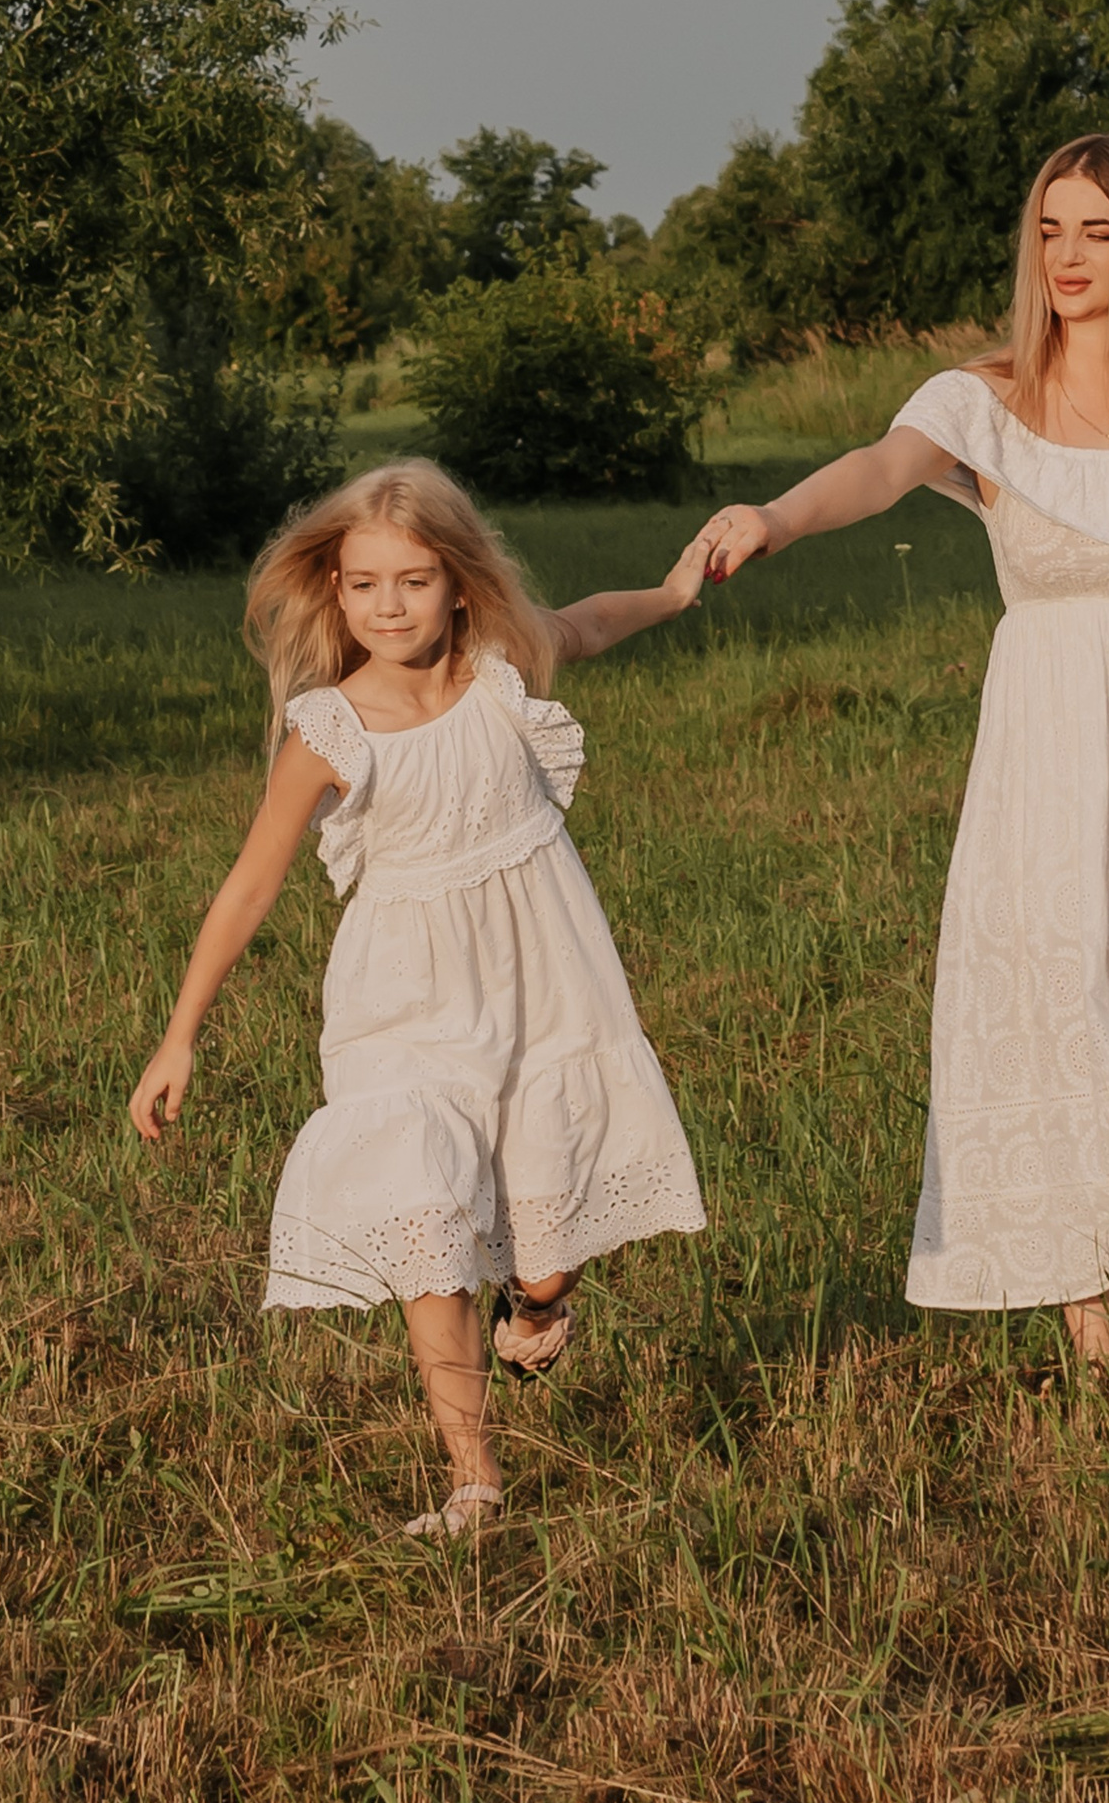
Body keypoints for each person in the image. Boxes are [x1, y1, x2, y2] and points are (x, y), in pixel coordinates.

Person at [695, 131, 1109, 1386]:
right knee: (1064, 1034)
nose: (1069, 256)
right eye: (1049, 229)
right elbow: (877, 472)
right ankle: (1093, 1334)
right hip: (1047, 775)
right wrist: (773, 516)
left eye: (1096, 229)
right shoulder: (982, 397)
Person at [128, 461, 712, 1535]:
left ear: (457, 582)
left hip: (543, 977)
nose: (386, 606)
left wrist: (674, 593)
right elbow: (251, 880)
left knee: (546, 1232)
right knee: (424, 1220)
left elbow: (586, 621)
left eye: (410, 580)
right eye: (361, 585)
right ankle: (473, 1479)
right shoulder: (328, 731)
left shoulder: (499, 667)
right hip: (401, 998)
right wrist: (179, 1036)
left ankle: (538, 1304)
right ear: (334, 591)